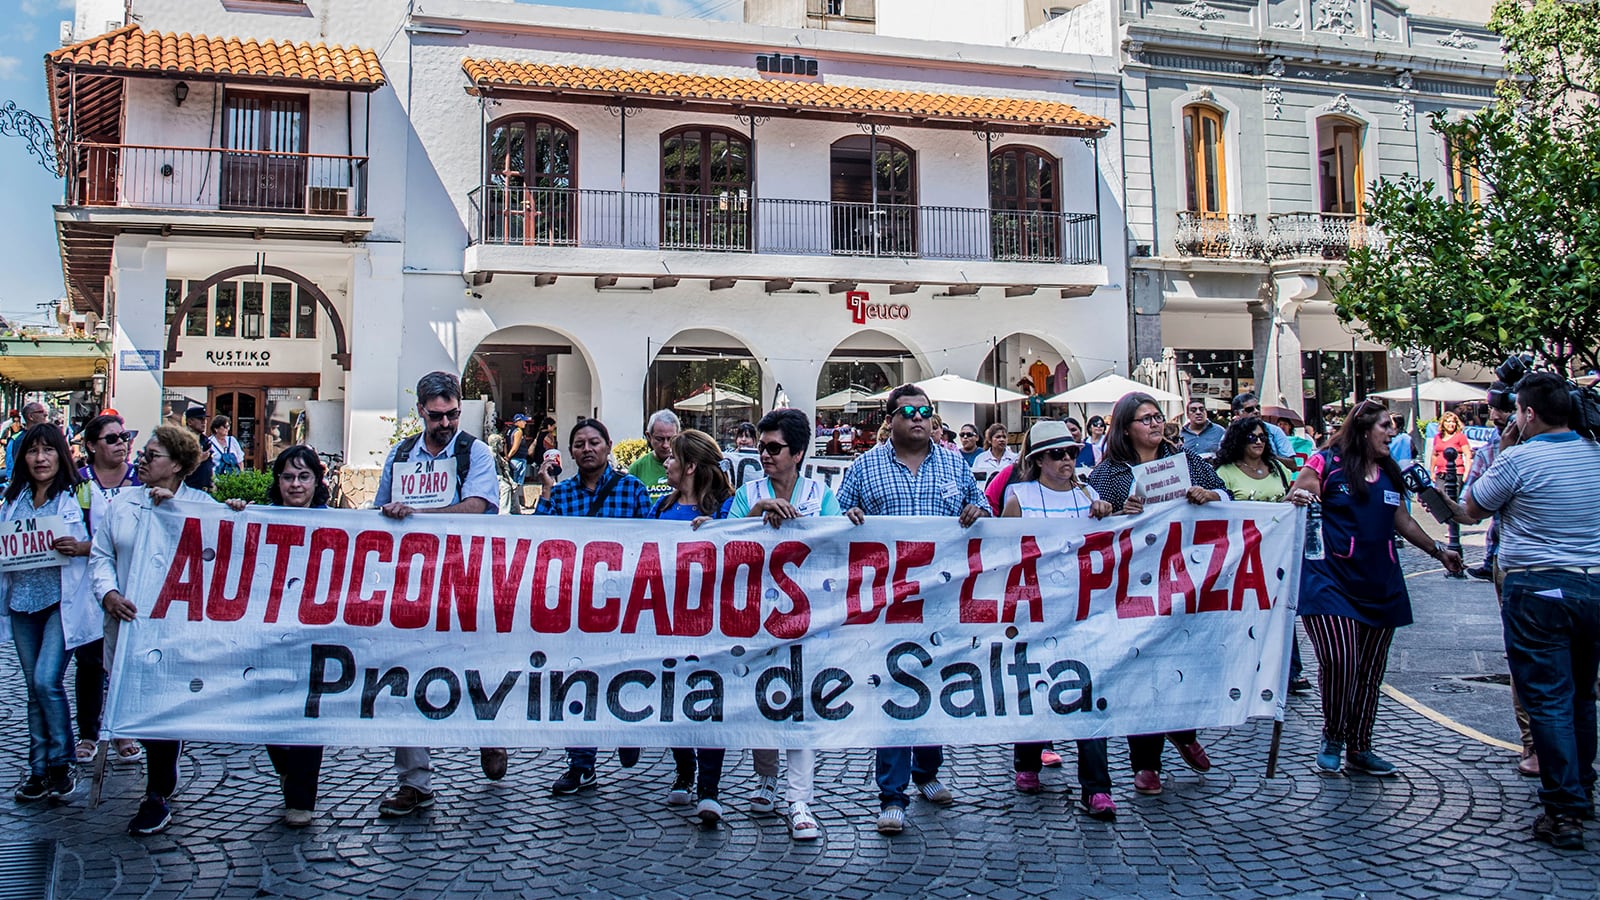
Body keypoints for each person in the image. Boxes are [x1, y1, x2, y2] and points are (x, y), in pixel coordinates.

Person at [1440, 373, 1600, 850]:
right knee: (1582, 694)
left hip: (1536, 587)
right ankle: (1581, 789)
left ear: (1527, 413)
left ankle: (1563, 808)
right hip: (1593, 585)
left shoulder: (1519, 459)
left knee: (1548, 697)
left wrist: (1506, 450)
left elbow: (1471, 510)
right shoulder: (1594, 454)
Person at [836, 385, 990, 835]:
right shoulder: (865, 467)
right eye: (909, 412)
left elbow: (979, 504)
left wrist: (976, 511)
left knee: (937, 682)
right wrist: (851, 519)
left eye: (926, 412)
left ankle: (927, 771)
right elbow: (839, 516)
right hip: (890, 599)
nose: (919, 419)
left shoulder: (953, 462)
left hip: (941, 598)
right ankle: (892, 793)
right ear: (891, 420)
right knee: (896, 688)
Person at [1289, 401, 1462, 783]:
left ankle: (1360, 746)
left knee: (1369, 670)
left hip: (1380, 581)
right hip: (1329, 580)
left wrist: (1438, 551)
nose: (1392, 433)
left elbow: (1402, 519)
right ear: (1364, 429)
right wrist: (1300, 497)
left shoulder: (1387, 471)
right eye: (1386, 426)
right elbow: (1297, 496)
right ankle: (1332, 737)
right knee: (1340, 661)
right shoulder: (1325, 462)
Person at [372, 371, 506, 818]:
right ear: (421, 413)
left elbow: (478, 508)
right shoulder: (401, 454)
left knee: (472, 668)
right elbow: (380, 512)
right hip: (413, 582)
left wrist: (419, 513)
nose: (445, 423)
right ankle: (414, 781)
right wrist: (393, 514)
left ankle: (488, 734)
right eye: (436, 416)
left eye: (452, 414)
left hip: (465, 578)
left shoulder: (476, 453)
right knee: (406, 675)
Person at [1088, 392, 1228, 795]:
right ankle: (1145, 763)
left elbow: (1226, 495)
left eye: (1158, 417)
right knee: (1141, 667)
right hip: (1133, 582)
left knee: (1180, 658)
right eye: (1144, 419)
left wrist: (1209, 496)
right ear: (1125, 428)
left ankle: (1183, 729)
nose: (1154, 424)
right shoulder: (1110, 472)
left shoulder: (1185, 461)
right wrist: (1116, 512)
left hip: (1182, 576)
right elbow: (1095, 519)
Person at [93, 425, 221, 835]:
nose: (142, 461)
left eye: (153, 455)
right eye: (143, 454)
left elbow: (222, 553)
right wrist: (109, 593)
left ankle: (157, 793)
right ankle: (161, 772)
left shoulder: (199, 506)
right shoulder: (122, 504)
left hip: (174, 632)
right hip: (128, 625)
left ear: (178, 466)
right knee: (134, 704)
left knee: (159, 710)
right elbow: (101, 555)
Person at [999, 421, 1118, 821]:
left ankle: (1097, 787)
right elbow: (1003, 550)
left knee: (1087, 688)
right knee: (1033, 682)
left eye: (1071, 452)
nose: (1067, 460)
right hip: (1034, 606)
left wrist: (1107, 513)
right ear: (1037, 461)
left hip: (1081, 607)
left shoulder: (1089, 494)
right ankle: (1028, 761)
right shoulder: (1019, 496)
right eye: (1057, 454)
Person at [731, 407, 840, 842]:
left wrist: (845, 522)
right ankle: (766, 779)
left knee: (800, 707)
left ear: (797, 453)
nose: (765, 455)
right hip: (758, 614)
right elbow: (724, 537)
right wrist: (756, 511)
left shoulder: (820, 493)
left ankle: (800, 798)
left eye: (774, 448)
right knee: (765, 703)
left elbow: (835, 542)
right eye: (761, 447)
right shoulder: (748, 491)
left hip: (808, 616)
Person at [535, 417, 652, 794]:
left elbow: (654, 544)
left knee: (624, 673)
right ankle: (581, 762)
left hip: (622, 604)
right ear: (570, 451)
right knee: (577, 680)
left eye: (594, 442)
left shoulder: (632, 489)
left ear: (608, 445)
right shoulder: (564, 494)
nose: (587, 449)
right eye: (579, 443)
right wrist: (546, 492)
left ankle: (626, 728)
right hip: (577, 604)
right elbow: (538, 539)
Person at [225, 446, 332, 827]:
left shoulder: (334, 523)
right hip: (269, 629)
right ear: (278, 482)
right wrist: (235, 513)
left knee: (309, 711)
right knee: (268, 705)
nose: (296, 484)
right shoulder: (262, 517)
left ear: (317, 482)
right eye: (288, 477)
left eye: (304, 477)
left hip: (315, 631)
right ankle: (285, 769)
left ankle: (302, 796)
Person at [2, 424, 93, 804]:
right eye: (32, 451)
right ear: (22, 458)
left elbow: (106, 540)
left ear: (61, 454)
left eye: (48, 451)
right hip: (21, 602)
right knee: (33, 690)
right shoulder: (12, 500)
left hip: (60, 603)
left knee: (45, 681)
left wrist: (81, 547)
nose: (40, 459)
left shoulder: (78, 496)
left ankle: (61, 762)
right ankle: (38, 771)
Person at [651, 430, 735, 824]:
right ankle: (684, 770)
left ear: (689, 467)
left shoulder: (724, 509)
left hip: (711, 619)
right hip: (668, 617)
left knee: (708, 699)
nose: (664, 462)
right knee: (673, 697)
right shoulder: (660, 508)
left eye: (672, 458)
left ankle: (710, 788)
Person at [72, 414, 142, 766]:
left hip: (131, 580)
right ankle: (89, 731)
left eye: (124, 437)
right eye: (112, 439)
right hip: (86, 584)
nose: (121, 444)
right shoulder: (79, 483)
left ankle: (122, 729)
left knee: (125, 658)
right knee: (90, 659)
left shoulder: (139, 481)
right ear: (92, 446)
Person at [1212, 416, 1294, 502]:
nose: (1258, 442)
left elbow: (1287, 498)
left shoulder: (1277, 467)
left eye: (1262, 437)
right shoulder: (1224, 472)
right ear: (1239, 440)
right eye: (1252, 437)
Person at [629, 410, 680, 505]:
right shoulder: (637, 468)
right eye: (659, 439)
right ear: (648, 436)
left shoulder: (687, 466)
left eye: (671, 439)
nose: (665, 445)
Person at [1232, 393, 1295, 459]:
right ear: (1237, 413)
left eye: (1258, 407)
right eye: (1250, 409)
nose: (1256, 411)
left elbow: (1292, 464)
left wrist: (1268, 456)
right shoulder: (1232, 433)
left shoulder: (1275, 431)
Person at [5, 402, 49, 480]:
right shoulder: (20, 439)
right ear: (31, 416)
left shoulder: (46, 436)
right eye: (41, 412)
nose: (45, 415)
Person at [1431, 411, 1472, 482]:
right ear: (1443, 423)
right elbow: (1434, 455)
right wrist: (1432, 472)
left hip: (1456, 473)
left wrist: (1466, 473)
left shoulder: (1460, 437)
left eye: (1453, 422)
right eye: (1448, 422)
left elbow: (1468, 455)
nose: (1451, 424)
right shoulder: (1437, 437)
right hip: (1440, 474)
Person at [720, 421, 763, 490]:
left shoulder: (761, 455)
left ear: (754, 440)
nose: (743, 439)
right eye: (740, 436)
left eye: (747, 436)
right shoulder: (729, 453)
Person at [182, 407, 215, 490]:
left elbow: (209, 464)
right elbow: (178, 465)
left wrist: (213, 481)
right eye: (200, 419)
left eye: (205, 419)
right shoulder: (183, 440)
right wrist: (199, 459)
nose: (204, 422)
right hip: (189, 488)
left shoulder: (205, 440)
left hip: (205, 488)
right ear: (189, 422)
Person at [504, 414, 533, 486]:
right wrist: (508, 456)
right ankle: (516, 497)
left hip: (512, 459)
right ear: (518, 421)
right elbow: (515, 447)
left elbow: (505, 445)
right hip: (518, 459)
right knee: (517, 484)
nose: (525, 423)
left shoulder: (509, 430)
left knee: (512, 482)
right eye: (523, 421)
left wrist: (507, 456)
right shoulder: (518, 431)